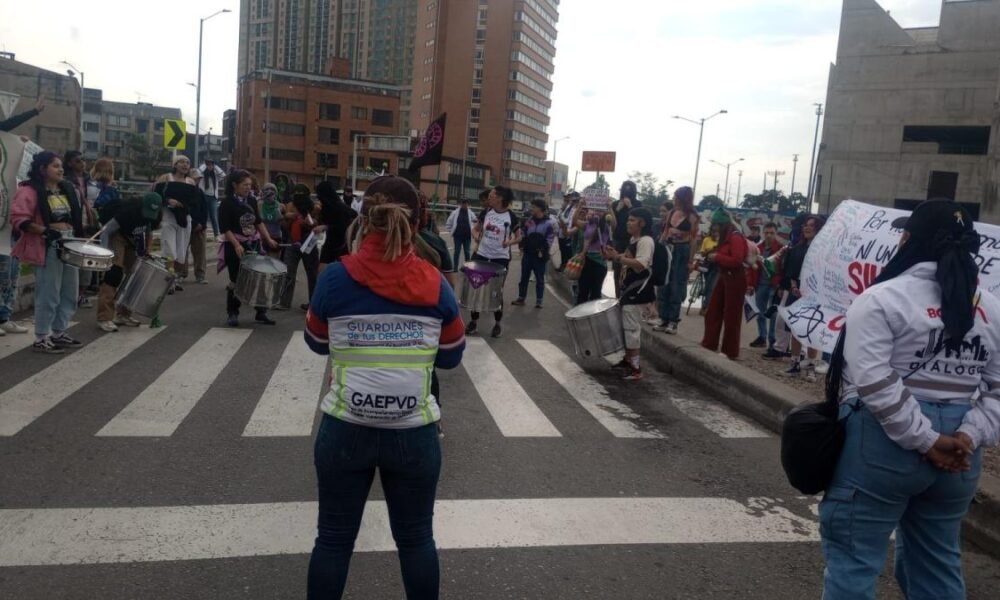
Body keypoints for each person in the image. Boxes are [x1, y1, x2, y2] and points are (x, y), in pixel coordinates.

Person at [819, 199, 1000, 600]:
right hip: (961, 456)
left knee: (853, 561)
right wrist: (969, 435)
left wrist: (926, 440)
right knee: (937, 564)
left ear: (908, 240)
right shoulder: (992, 309)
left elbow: (874, 380)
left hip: (885, 446)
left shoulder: (882, 298)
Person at [304, 175, 465, 599]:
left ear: (363, 220)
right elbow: (451, 356)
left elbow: (316, 342)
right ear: (417, 224)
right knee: (416, 540)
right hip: (413, 434)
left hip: (345, 429)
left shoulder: (334, 279)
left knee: (333, 540)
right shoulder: (435, 282)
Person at [9, 152, 83, 354]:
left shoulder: (67, 188)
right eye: (55, 166)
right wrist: (44, 231)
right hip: (47, 244)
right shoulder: (29, 190)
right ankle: (42, 336)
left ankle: (59, 331)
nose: (60, 169)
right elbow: (18, 219)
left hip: (70, 242)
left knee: (69, 291)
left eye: (60, 166)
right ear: (42, 169)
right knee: (49, 292)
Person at [0, 97, 46, 337]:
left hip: (10, 229)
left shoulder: (13, 176)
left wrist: (32, 113)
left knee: (11, 274)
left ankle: (4, 316)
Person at [218, 170, 279, 327]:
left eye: (249, 185)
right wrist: (237, 245)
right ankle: (233, 313)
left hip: (253, 243)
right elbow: (225, 228)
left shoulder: (251, 200)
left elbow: (258, 222)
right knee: (237, 280)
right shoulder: (226, 203)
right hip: (235, 245)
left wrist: (268, 239)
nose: (248, 188)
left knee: (259, 277)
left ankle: (261, 312)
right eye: (245, 185)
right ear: (234, 185)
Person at [96, 192, 162, 332]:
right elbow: (106, 231)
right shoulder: (127, 212)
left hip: (134, 239)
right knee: (113, 274)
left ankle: (123, 314)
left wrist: (146, 250)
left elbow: (148, 232)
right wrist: (104, 253)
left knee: (137, 274)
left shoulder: (155, 216)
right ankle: (104, 317)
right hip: (117, 236)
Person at [603, 208, 655, 380]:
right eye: (628, 219)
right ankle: (627, 361)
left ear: (642, 223)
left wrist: (618, 258)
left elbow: (641, 263)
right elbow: (627, 258)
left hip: (638, 291)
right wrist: (613, 255)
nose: (628, 223)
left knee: (632, 330)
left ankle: (635, 368)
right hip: (629, 290)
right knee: (626, 327)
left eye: (632, 220)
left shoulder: (646, 241)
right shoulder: (634, 240)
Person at [466, 185, 519, 338]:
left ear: (500, 198)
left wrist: (509, 242)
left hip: (500, 258)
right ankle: (473, 322)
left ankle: (497, 324)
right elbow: (475, 228)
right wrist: (476, 235)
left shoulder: (511, 216)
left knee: (496, 292)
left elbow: (519, 237)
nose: (489, 197)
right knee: (476, 288)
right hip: (481, 255)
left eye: (492, 195)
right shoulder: (486, 212)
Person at [700, 209, 748, 361]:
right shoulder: (726, 237)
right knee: (713, 310)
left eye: (715, 225)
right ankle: (709, 343)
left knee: (731, 316)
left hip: (735, 278)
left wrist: (717, 257)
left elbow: (737, 260)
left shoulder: (735, 237)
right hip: (724, 276)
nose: (713, 228)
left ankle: (730, 350)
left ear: (722, 224)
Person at [779, 215, 824, 379]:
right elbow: (791, 272)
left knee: (813, 330)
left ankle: (811, 367)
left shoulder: (823, 250)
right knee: (795, 329)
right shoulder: (797, 249)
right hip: (797, 292)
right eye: (805, 225)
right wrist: (793, 287)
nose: (807, 227)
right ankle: (795, 363)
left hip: (815, 295)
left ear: (818, 229)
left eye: (811, 225)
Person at [654, 186, 699, 334]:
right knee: (664, 285)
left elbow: (693, 239)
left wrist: (691, 261)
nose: (674, 199)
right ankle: (663, 318)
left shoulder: (692, 216)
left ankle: (673, 321)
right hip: (668, 248)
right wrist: (659, 250)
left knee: (676, 286)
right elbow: (665, 232)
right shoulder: (672, 213)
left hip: (682, 251)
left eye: (676, 196)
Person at [155, 157, 197, 290]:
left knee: (181, 251)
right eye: (182, 162)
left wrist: (183, 205)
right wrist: (168, 201)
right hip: (169, 217)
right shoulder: (166, 178)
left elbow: (195, 201)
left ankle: (176, 277)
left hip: (184, 218)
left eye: (188, 163)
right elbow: (156, 195)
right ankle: (169, 279)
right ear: (175, 164)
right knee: (169, 249)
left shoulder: (191, 182)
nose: (185, 165)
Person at [279, 186, 320, 311]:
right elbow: (284, 226)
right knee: (288, 271)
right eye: (296, 193)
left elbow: (321, 223)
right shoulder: (290, 206)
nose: (298, 196)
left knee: (312, 273)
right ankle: (284, 302)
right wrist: (289, 218)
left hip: (309, 239)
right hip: (293, 240)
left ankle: (313, 303)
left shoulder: (315, 207)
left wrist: (312, 222)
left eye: (301, 193)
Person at [512, 199, 558, 308]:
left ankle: (539, 301)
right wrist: (521, 246)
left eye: (533, 207)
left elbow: (550, 239)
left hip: (540, 257)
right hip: (528, 255)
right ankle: (521, 298)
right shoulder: (529, 221)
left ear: (540, 208)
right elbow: (523, 234)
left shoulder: (549, 223)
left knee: (539, 279)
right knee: (524, 278)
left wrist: (542, 250)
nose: (531, 209)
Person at [748, 223, 785, 350]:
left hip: (774, 285)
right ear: (763, 233)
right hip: (761, 284)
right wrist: (751, 284)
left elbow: (783, 268)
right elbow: (752, 267)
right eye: (767, 232)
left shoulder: (781, 249)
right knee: (760, 312)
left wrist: (780, 284)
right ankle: (762, 337)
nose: (769, 235)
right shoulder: (758, 248)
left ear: (776, 233)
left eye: (772, 233)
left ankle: (772, 339)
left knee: (773, 314)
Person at [572, 207, 614, 305]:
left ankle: (593, 312)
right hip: (586, 259)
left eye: (600, 211)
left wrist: (610, 207)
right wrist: (579, 206)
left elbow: (614, 224)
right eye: (595, 210)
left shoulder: (606, 226)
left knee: (596, 291)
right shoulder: (587, 224)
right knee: (583, 289)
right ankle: (580, 311)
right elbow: (575, 221)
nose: (597, 212)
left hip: (600, 261)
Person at [316, 181, 357, 271]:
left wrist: (326, 227)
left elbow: (342, 227)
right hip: (330, 243)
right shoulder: (326, 207)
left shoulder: (339, 207)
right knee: (322, 272)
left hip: (341, 245)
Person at [610, 181, 641, 297]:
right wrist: (616, 210)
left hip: (632, 241)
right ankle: (618, 296)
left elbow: (640, 219)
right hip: (618, 240)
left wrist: (630, 207)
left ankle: (628, 295)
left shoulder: (638, 204)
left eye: (630, 189)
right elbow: (611, 222)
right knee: (617, 270)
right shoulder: (616, 204)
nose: (627, 192)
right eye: (625, 189)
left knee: (630, 269)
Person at [197, 158, 226, 239]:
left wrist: (215, 166)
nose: (210, 166)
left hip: (213, 197)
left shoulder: (215, 175)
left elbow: (223, 175)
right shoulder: (202, 175)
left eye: (211, 164)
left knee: (214, 216)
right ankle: (203, 233)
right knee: (204, 216)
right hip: (203, 196)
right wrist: (204, 165)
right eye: (208, 164)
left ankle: (217, 235)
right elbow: (198, 172)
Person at [445, 198, 476, 268]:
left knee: (467, 252)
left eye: (466, 203)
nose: (464, 205)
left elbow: (475, 220)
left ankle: (467, 267)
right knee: (457, 252)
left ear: (468, 204)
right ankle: (455, 267)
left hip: (467, 236)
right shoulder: (455, 212)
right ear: (461, 204)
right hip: (458, 236)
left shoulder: (470, 212)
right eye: (463, 203)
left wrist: (474, 228)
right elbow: (449, 222)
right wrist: (452, 231)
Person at [556, 191, 581, 271]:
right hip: (563, 232)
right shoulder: (568, 207)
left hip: (571, 234)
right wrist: (561, 221)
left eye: (575, 200)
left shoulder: (577, 209)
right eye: (571, 200)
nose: (572, 202)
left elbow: (571, 222)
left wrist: (563, 223)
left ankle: (569, 268)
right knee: (563, 250)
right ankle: (563, 265)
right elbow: (562, 217)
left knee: (569, 252)